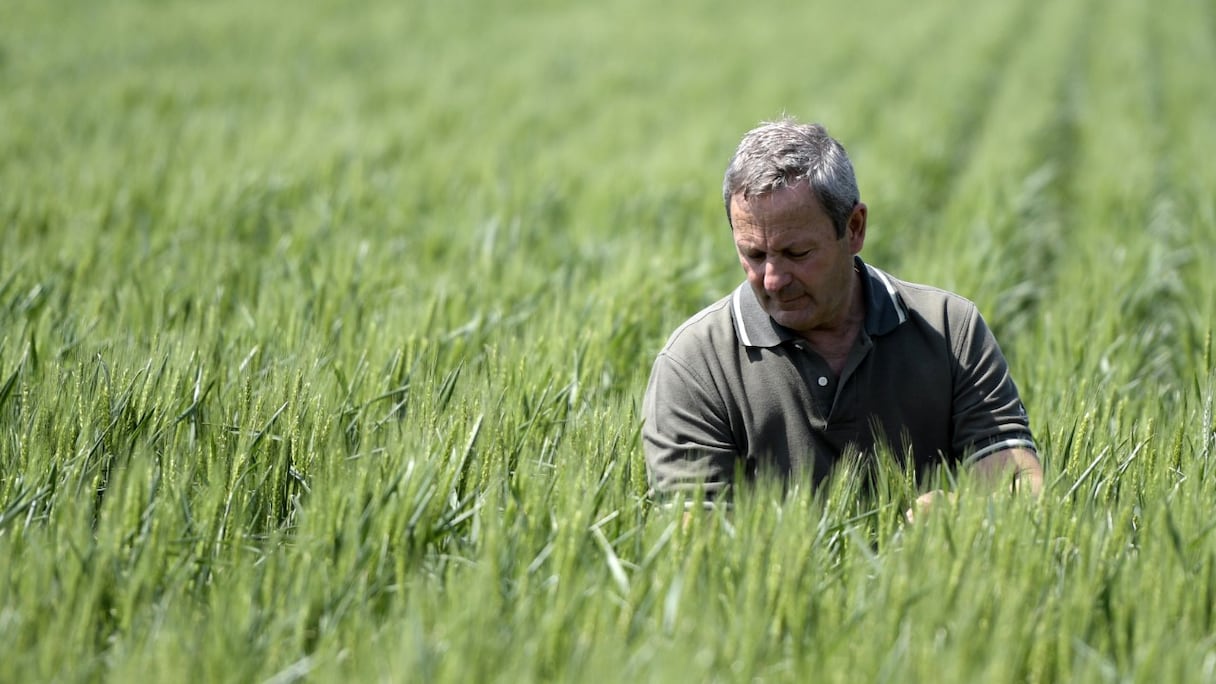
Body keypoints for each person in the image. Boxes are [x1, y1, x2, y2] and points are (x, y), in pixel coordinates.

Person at [641, 117, 1042, 511]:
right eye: (754, 255)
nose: (773, 279)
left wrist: (960, 516)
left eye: (797, 253)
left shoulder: (949, 329)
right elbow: (697, 545)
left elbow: (1022, 486)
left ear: (854, 228)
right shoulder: (694, 365)